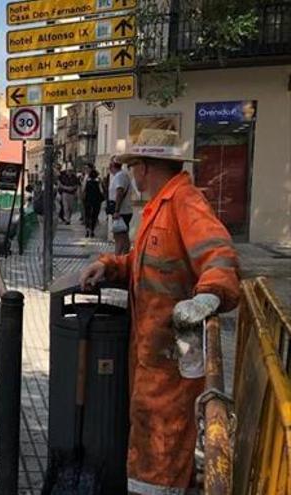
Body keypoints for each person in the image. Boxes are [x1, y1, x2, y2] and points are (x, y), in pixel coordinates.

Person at [79, 132, 240, 495]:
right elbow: (145, 263)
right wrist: (110, 265)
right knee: (150, 443)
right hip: (154, 356)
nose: (133, 174)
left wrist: (209, 295)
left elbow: (219, 254)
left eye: (135, 166)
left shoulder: (185, 202)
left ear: (145, 167)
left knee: (162, 447)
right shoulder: (161, 206)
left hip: (172, 361)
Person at [108, 157, 133, 254]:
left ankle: (117, 259)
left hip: (121, 212)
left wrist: (116, 211)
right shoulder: (122, 175)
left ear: (112, 166)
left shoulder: (119, 176)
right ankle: (124, 258)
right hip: (124, 211)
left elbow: (119, 192)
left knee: (119, 238)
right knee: (124, 238)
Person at [82, 165, 103, 237]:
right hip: (96, 200)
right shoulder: (98, 180)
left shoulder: (86, 179)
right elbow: (101, 191)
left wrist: (83, 198)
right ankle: (92, 230)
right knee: (94, 215)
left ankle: (87, 229)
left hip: (88, 200)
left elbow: (83, 189)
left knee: (87, 215)